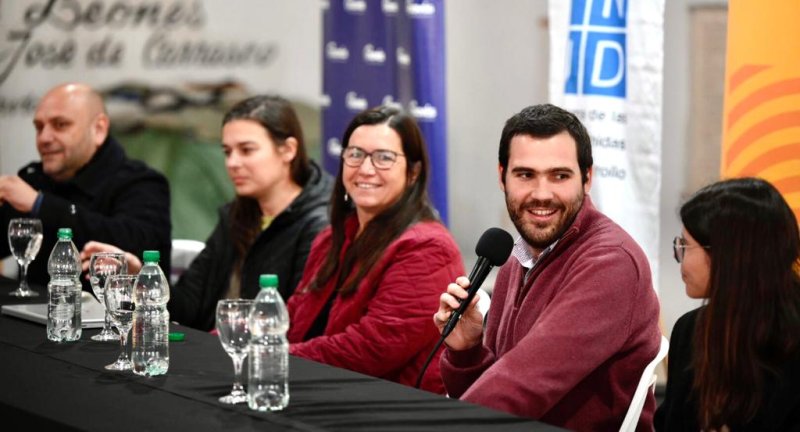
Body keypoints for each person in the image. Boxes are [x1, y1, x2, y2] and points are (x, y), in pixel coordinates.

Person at [434, 104, 662, 430]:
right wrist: (467, 351)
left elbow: (520, 385)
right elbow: (497, 390)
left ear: (587, 178)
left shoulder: (612, 262)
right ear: (502, 177)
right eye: (526, 175)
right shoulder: (519, 256)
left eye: (559, 176)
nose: (542, 194)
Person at [83, 95, 333, 331]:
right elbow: (186, 308)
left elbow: (297, 327)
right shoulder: (236, 217)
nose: (233, 163)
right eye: (227, 152)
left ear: (288, 150)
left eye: (246, 150)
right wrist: (138, 275)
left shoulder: (319, 225)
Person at [286, 106, 464, 394]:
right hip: (315, 388)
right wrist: (228, 337)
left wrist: (273, 356)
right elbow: (292, 314)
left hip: (384, 407)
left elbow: (372, 349)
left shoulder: (428, 248)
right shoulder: (333, 237)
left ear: (413, 173)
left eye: (384, 158)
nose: (365, 169)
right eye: (355, 154)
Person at [655, 178, 800, 431]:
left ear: (728, 255)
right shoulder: (690, 330)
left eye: (685, 245)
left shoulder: (791, 343)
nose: (679, 257)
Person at [0, 83, 171, 288]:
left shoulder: (143, 182)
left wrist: (40, 204)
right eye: (39, 127)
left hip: (113, 316)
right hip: (32, 314)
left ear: (98, 129)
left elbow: (136, 247)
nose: (44, 138)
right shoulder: (34, 178)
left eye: (60, 124)